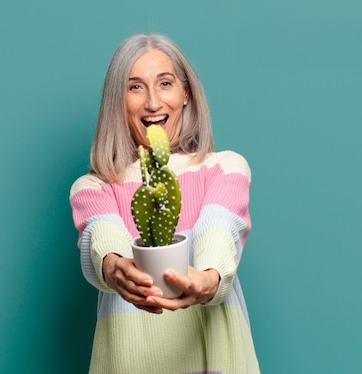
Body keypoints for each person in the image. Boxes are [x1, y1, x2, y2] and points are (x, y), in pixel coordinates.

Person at [69, 33, 260, 373]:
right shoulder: (93, 187)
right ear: (118, 101)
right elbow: (103, 239)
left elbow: (219, 230)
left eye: (166, 83)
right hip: (130, 360)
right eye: (135, 87)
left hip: (213, 358)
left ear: (185, 93)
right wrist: (116, 269)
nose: (153, 103)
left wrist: (207, 279)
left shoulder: (225, 167)